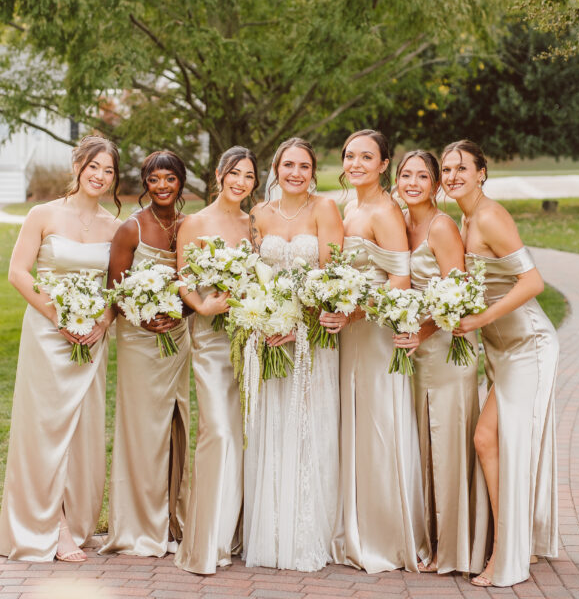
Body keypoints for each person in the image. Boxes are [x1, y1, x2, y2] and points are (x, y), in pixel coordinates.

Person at [0, 135, 121, 562]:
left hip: (90, 340)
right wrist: (58, 315)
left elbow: (117, 290)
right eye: (94, 167)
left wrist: (100, 323)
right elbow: (17, 272)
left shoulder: (113, 227)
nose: (100, 177)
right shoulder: (42, 214)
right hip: (49, 335)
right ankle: (49, 527)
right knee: (45, 429)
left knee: (83, 433)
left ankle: (74, 518)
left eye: (108, 171)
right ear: (77, 166)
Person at [441, 139, 558, 587]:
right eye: (447, 169)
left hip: (527, 343)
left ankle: (504, 556)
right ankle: (520, 538)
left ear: (481, 172)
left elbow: (533, 281)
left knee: (488, 439)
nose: (452, 176)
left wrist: (480, 319)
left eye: (461, 168)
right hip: (501, 347)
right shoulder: (464, 218)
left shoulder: (489, 216)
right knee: (496, 442)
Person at [330, 130, 428, 573]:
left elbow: (399, 281)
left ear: (384, 164)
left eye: (366, 157)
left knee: (377, 423)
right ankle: (354, 525)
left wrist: (353, 313)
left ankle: (385, 535)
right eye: (350, 156)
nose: (355, 163)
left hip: (372, 332)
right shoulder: (348, 205)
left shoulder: (386, 212)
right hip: (347, 332)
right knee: (353, 424)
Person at [244, 137, 343, 571]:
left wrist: (295, 324)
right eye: (288, 165)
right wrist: (265, 319)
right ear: (276, 168)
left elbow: (331, 274)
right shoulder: (260, 214)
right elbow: (252, 275)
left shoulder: (325, 210)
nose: (296, 173)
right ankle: (270, 531)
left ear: (313, 170)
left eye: (304, 165)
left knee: (308, 427)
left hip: (309, 339)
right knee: (272, 425)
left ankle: (307, 533)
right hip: (267, 337)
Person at [394, 149, 487, 576]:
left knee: (447, 446)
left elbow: (461, 295)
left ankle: (455, 548)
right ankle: (431, 538)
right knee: (425, 445)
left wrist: (423, 331)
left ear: (434, 186)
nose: (412, 183)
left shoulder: (442, 226)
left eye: (422, 176)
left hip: (448, 351)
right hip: (416, 354)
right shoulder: (402, 223)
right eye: (405, 175)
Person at [100, 150, 191, 558]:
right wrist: (143, 318)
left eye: (169, 179)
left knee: (177, 423)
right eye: (154, 179)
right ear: (145, 183)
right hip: (139, 341)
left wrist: (180, 312)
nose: (162, 187)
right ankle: (139, 523)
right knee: (142, 429)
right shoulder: (130, 230)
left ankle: (176, 519)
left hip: (178, 336)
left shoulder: (191, 226)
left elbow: (197, 283)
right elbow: (116, 292)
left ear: (181, 182)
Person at [175, 146, 258, 575]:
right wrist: (203, 308)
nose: (240, 182)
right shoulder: (195, 223)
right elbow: (183, 280)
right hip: (209, 340)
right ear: (219, 174)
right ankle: (202, 543)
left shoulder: (253, 224)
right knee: (219, 432)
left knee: (243, 435)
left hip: (246, 338)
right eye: (234, 173)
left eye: (248, 176)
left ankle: (231, 536)